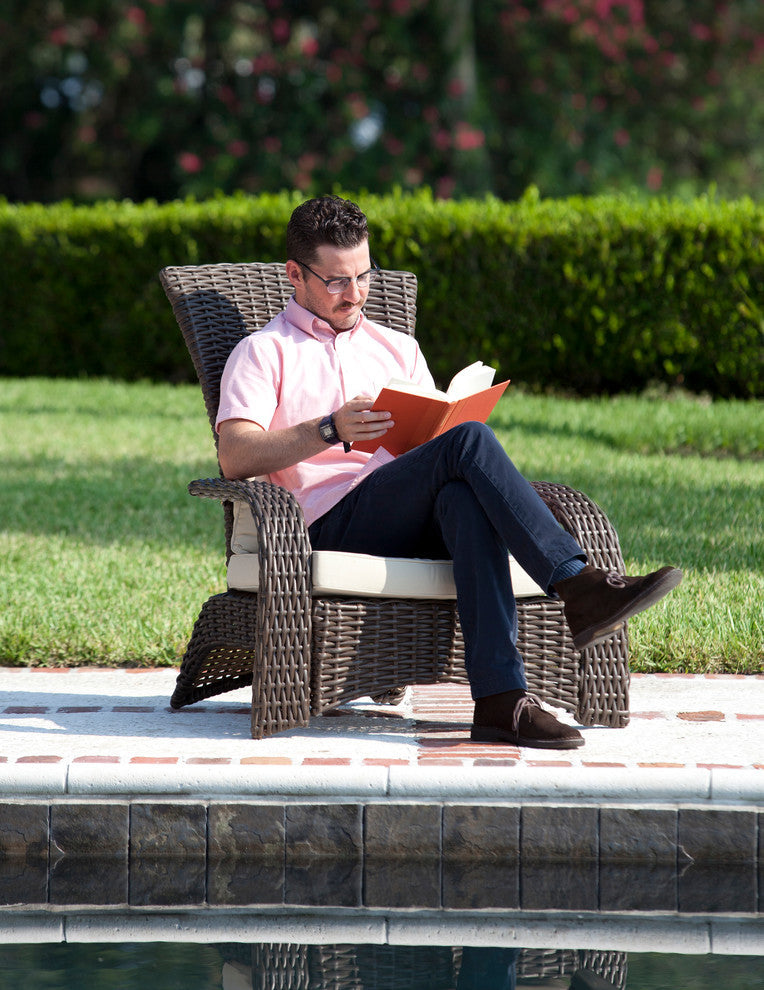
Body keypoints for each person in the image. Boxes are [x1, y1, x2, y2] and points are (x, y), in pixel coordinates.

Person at [216, 195, 682, 750]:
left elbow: (430, 440)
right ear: (296, 274)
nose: (356, 293)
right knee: (469, 442)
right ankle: (577, 585)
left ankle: (500, 702)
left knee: (464, 493)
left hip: (410, 514)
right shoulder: (263, 351)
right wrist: (329, 429)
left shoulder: (398, 347)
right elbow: (235, 456)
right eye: (338, 280)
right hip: (324, 526)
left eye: (364, 275)